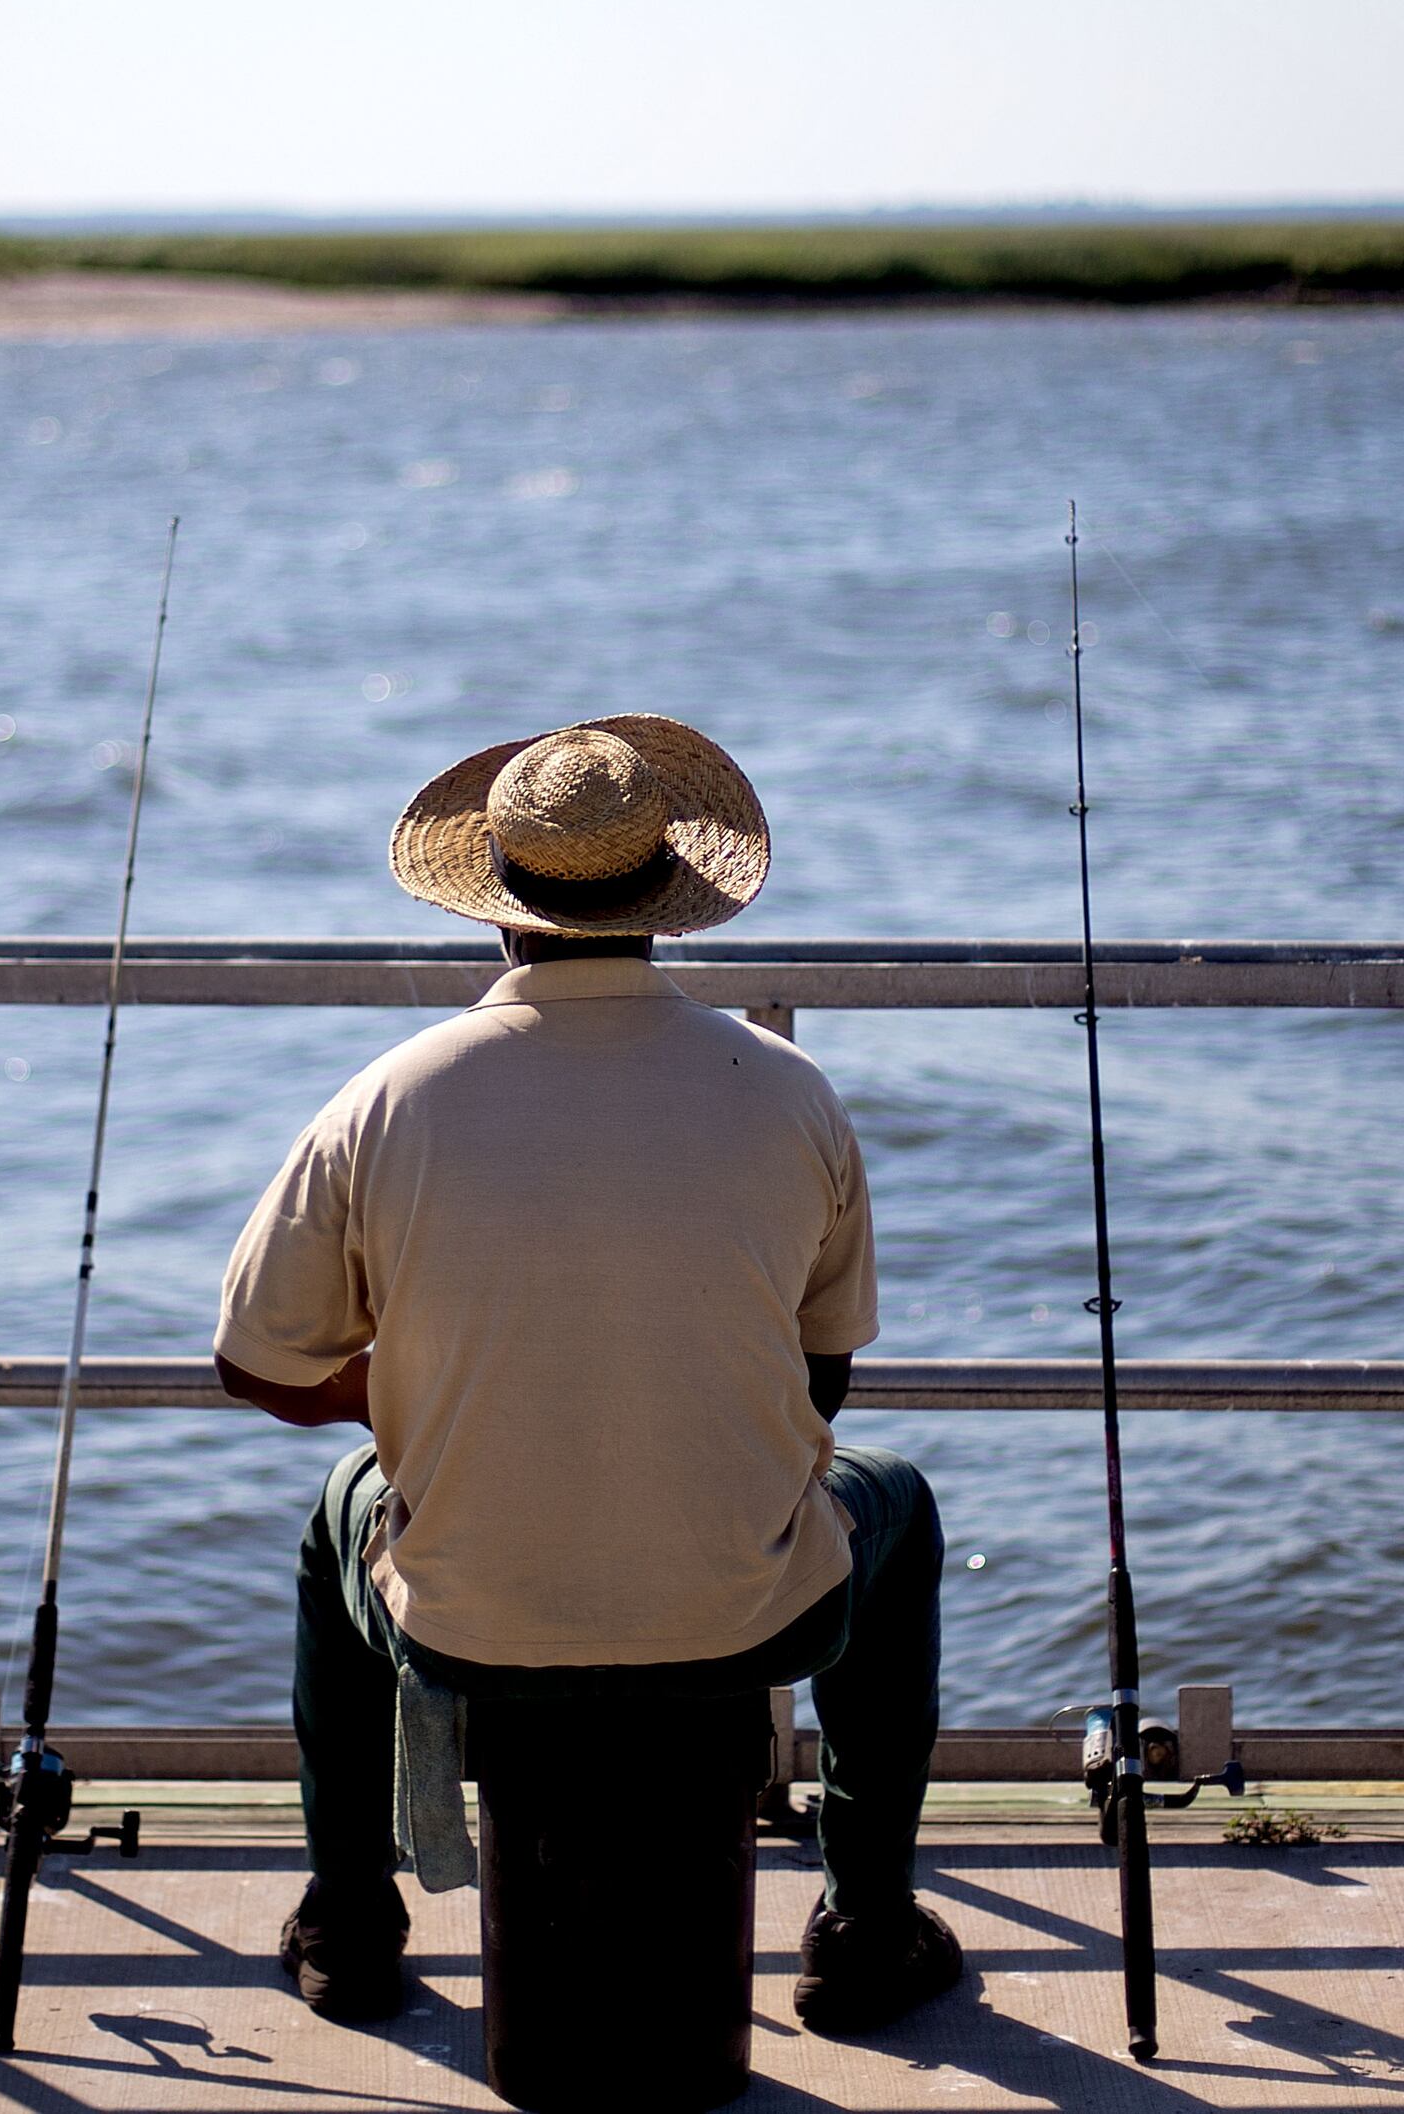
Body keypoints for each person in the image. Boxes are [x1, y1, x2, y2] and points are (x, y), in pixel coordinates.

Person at [213, 713, 962, 2035]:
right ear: (667, 897)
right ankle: (865, 1920)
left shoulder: (387, 1097)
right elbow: (826, 1385)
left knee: (338, 1515)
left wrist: (399, 1398)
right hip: (748, 1612)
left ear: (496, 902)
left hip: (464, 1623)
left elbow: (259, 1362)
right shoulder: (789, 1090)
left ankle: (350, 1915)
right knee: (895, 1500)